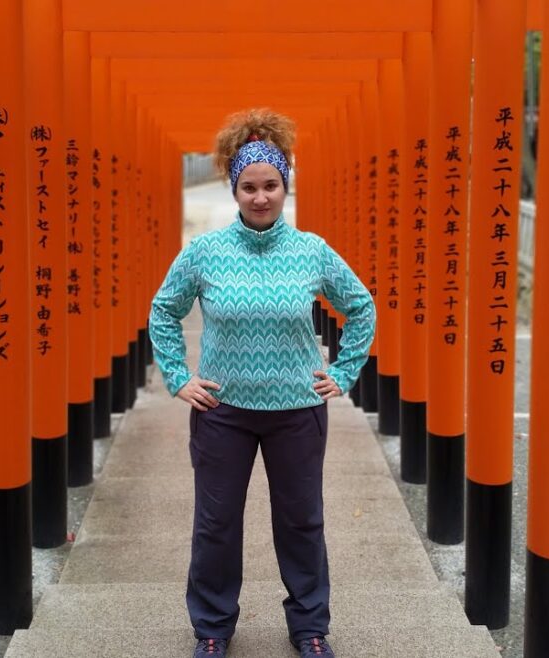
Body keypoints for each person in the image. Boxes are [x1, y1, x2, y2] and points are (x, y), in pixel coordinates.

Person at [149, 108, 376, 658]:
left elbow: (361, 306)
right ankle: (212, 628)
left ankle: (310, 627)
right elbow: (163, 311)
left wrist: (343, 372)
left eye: (270, 185)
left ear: (284, 186)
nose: (260, 197)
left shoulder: (311, 250)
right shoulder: (204, 252)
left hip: (297, 409)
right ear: (234, 188)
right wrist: (179, 377)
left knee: (302, 523)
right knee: (216, 525)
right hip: (222, 411)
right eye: (248, 187)